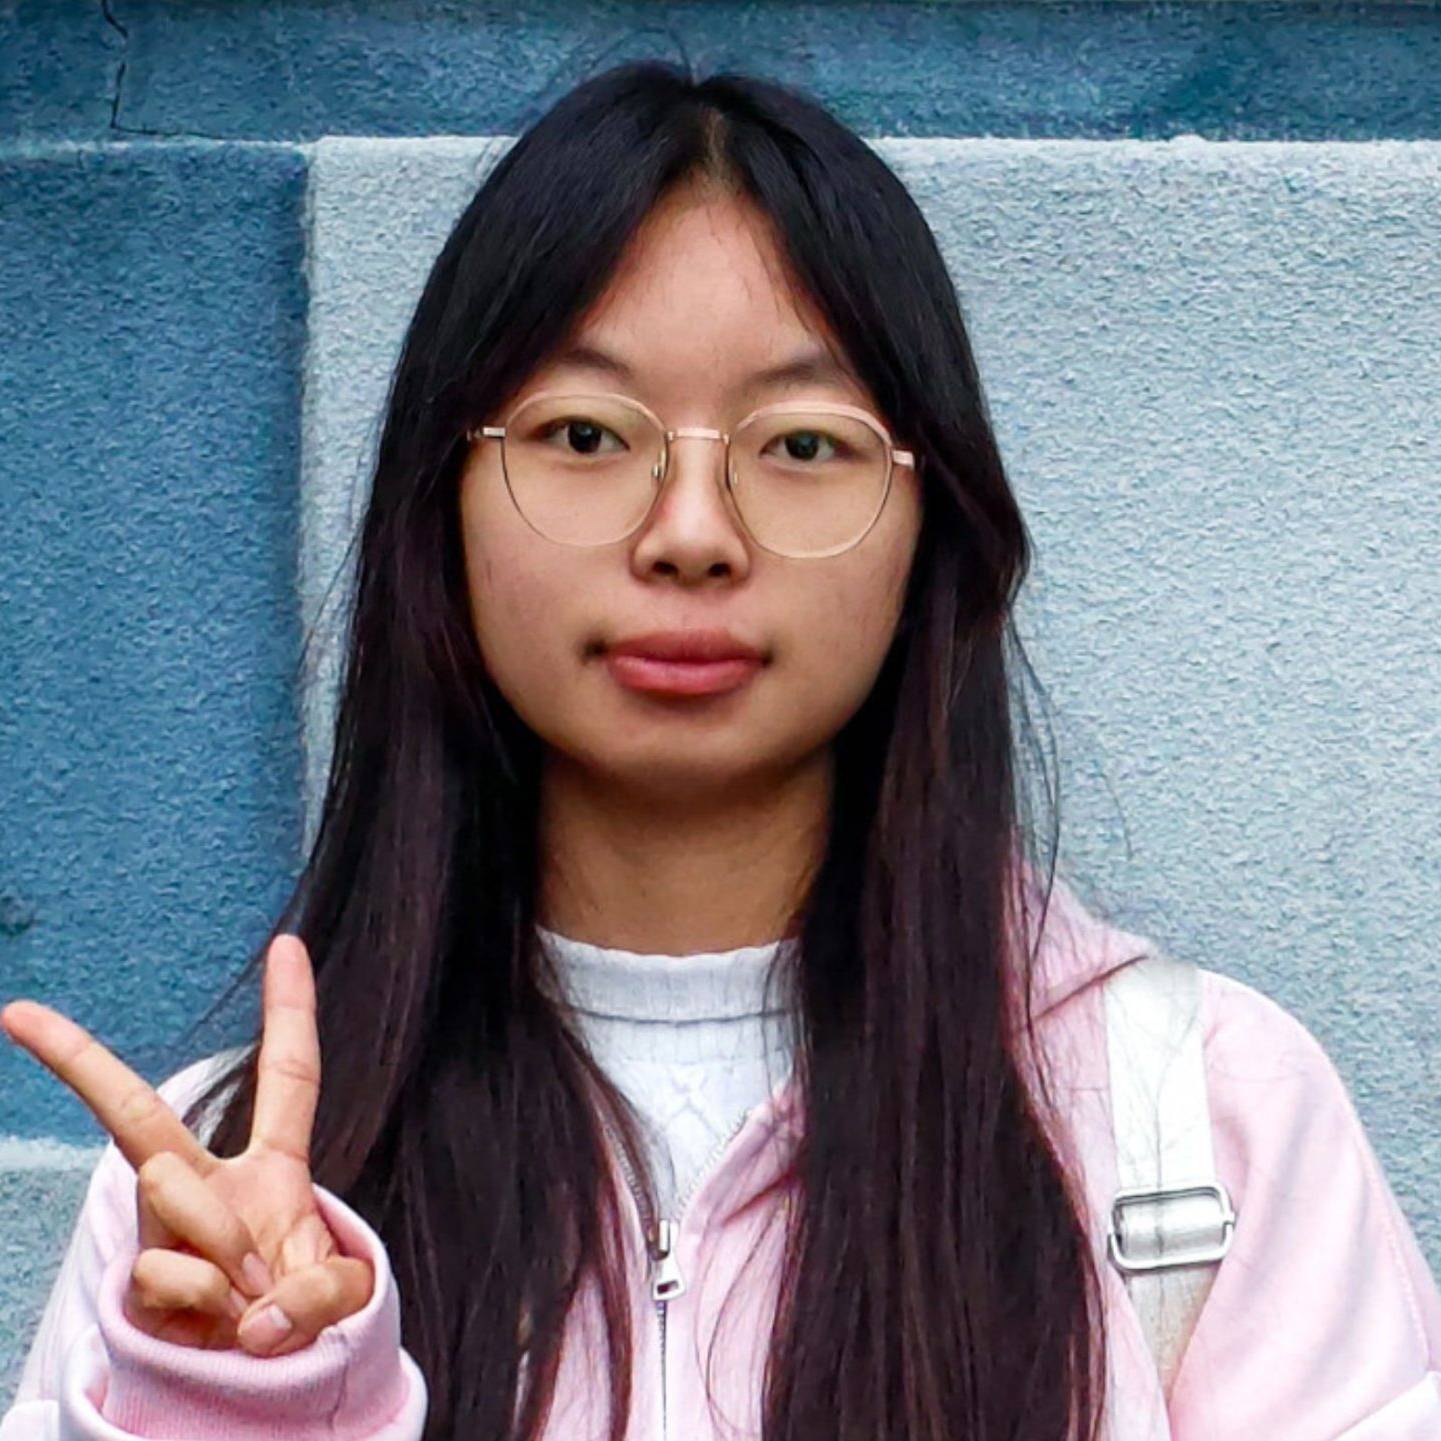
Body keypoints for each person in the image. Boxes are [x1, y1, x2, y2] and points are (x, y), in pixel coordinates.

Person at [3, 58, 1439, 1441]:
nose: (689, 532)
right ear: (440, 512)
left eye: (801, 444)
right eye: (581, 432)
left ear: (933, 521)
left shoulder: (1203, 1123)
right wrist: (250, 1398)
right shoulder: (217, 1189)